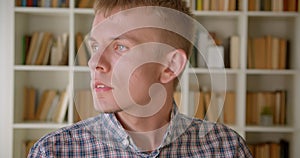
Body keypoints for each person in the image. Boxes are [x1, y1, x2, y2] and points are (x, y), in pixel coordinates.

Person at [28, 0, 253, 157]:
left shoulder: (225, 149)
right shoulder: (54, 152)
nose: (94, 62)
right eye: (95, 46)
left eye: (120, 46)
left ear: (170, 66)